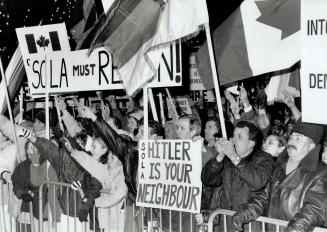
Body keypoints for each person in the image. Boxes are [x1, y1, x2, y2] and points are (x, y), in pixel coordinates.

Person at [231, 120, 327, 232]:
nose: (292, 142)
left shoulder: (321, 172)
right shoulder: (279, 166)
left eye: (298, 139)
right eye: (291, 137)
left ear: (311, 146)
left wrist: (293, 230)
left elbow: (313, 210)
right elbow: (263, 197)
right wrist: (245, 213)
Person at [200, 121, 274, 231]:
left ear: (251, 143)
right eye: (233, 135)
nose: (233, 140)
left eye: (239, 137)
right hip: (225, 225)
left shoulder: (263, 159)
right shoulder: (228, 160)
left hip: (248, 226)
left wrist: (235, 158)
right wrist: (219, 157)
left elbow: (257, 182)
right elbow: (207, 179)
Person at [11, 139, 60, 231]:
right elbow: (17, 183)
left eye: (36, 147)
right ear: (26, 150)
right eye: (31, 147)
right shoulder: (22, 167)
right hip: (28, 205)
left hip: (45, 204)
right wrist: (23, 193)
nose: (34, 150)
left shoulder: (46, 163)